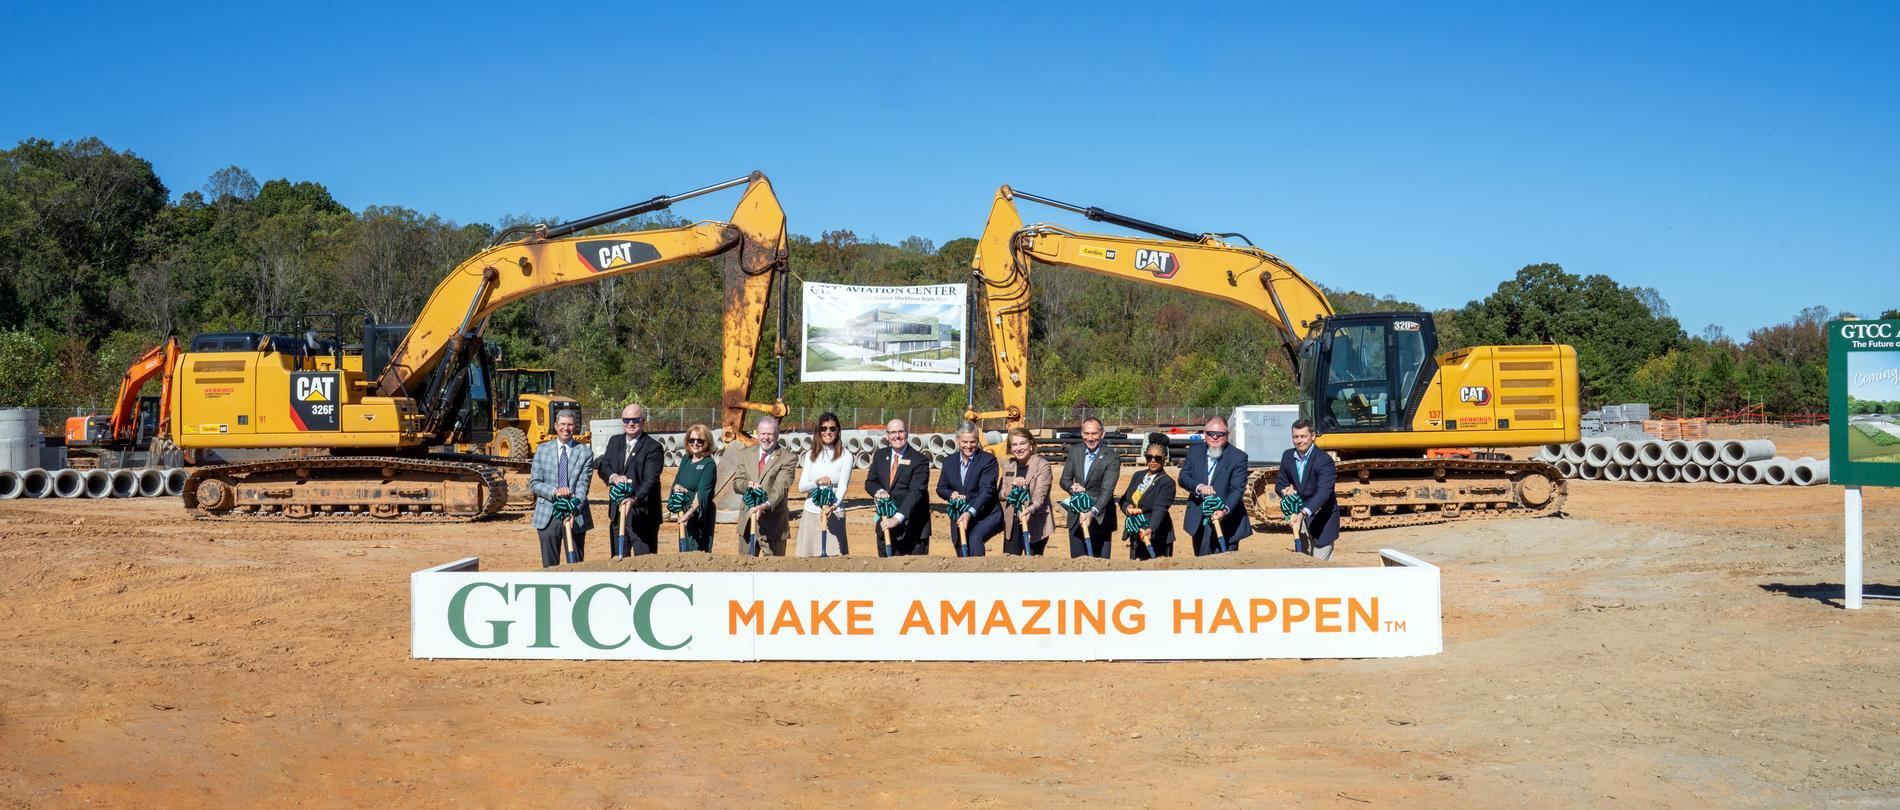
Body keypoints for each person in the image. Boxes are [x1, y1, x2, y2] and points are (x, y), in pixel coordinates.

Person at [597, 402, 665, 558]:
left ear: (643, 421)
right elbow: (603, 466)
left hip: (643, 515)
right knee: (618, 560)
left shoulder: (653, 447)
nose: (631, 423)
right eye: (627, 420)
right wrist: (614, 477)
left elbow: (650, 479)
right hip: (618, 513)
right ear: (622, 421)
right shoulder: (615, 441)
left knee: (644, 562)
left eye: (635, 420)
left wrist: (634, 498)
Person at [1177, 415, 1252, 556]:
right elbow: (1183, 477)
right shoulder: (1194, 451)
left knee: (1225, 565)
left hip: (1226, 522)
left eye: (1219, 434)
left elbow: (1237, 489)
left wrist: (1224, 510)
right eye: (1210, 433)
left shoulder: (1238, 457)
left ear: (1227, 435)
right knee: (1201, 562)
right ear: (1204, 433)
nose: (1214, 437)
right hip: (1199, 520)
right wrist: (1199, 486)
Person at [529, 410, 594, 567]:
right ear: (556, 426)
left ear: (575, 426)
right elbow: (535, 483)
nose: (566, 428)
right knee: (550, 568)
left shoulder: (585, 452)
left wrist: (573, 508)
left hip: (575, 515)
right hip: (548, 515)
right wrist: (554, 491)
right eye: (563, 424)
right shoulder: (542, 450)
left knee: (576, 565)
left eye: (570, 424)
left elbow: (583, 486)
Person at [865, 418, 932, 556]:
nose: (897, 436)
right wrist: (878, 491)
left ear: (907, 433)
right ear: (887, 435)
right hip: (885, 526)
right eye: (893, 432)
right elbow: (870, 482)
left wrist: (897, 518)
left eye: (901, 431)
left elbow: (916, 492)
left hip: (913, 530)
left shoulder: (920, 460)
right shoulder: (880, 456)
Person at [1276, 418, 1340, 560]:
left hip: (1323, 520)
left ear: (1313, 436)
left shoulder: (1324, 460)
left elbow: (1323, 492)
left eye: (1303, 436)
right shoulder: (1287, 456)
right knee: (1303, 561)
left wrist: (1303, 513)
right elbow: (1280, 482)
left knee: (1319, 565)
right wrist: (1285, 491)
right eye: (1295, 437)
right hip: (1300, 522)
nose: (1299, 441)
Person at [731, 416, 796, 556]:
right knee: (745, 565)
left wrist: (765, 505)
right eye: (763, 433)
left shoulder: (788, 458)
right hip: (748, 522)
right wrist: (747, 486)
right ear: (757, 434)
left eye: (770, 434)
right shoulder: (745, 454)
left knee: (773, 567)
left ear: (777, 435)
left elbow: (781, 488)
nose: (766, 438)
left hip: (773, 525)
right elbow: (737, 482)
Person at [934, 421, 1001, 556]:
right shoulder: (949, 462)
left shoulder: (988, 461)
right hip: (959, 514)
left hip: (985, 514)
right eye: (965, 442)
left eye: (973, 442)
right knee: (960, 548)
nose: (969, 446)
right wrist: (951, 494)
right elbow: (941, 488)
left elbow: (986, 491)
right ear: (957, 441)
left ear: (977, 440)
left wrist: (970, 512)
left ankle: (977, 568)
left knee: (974, 538)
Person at [1059, 416, 1120, 558]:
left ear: (1102, 434)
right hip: (1076, 516)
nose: (1090, 438)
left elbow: (1107, 491)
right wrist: (1072, 487)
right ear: (1082, 434)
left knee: (1100, 565)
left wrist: (1092, 512)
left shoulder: (1111, 457)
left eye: (1094, 433)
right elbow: (1064, 480)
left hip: (1100, 518)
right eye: (1086, 433)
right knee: (1077, 564)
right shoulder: (1075, 451)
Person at [795, 412, 854, 557]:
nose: (828, 432)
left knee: (835, 559)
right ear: (818, 431)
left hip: (834, 513)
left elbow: (842, 487)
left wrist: (833, 506)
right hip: (811, 512)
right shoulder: (810, 455)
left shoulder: (846, 456)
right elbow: (802, 487)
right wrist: (817, 482)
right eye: (824, 428)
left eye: (832, 428)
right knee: (807, 559)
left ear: (838, 430)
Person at [998, 427, 1053, 556]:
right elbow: (1000, 494)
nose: (1019, 448)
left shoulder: (1042, 465)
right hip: (1012, 522)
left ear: (1031, 444)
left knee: (1033, 563)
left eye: (1023, 443)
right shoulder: (1008, 465)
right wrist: (1010, 489)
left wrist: (1029, 510)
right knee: (1010, 561)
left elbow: (1039, 497)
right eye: (1014, 444)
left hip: (1036, 522)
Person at [1119, 441, 1177, 558]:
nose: (1153, 461)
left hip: (1156, 536)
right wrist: (1127, 508)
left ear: (1164, 459)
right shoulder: (1138, 475)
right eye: (1149, 457)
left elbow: (1160, 508)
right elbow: (1124, 500)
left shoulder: (1167, 482)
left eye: (1157, 458)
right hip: (1136, 534)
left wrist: (1151, 528)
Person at [671, 423, 718, 553]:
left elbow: (702, 492)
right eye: (692, 440)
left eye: (700, 441)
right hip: (684, 511)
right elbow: (676, 481)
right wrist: (676, 489)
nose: (695, 443)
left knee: (696, 553)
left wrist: (689, 513)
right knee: (684, 551)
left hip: (699, 514)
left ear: (707, 442)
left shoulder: (709, 464)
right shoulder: (686, 459)